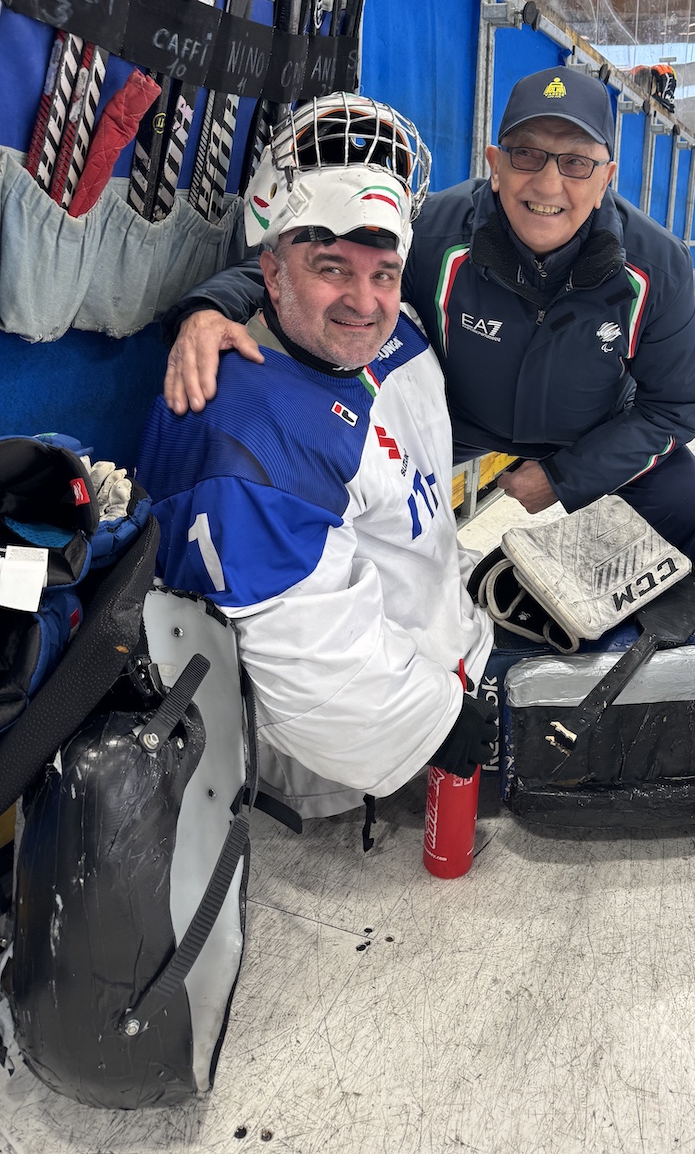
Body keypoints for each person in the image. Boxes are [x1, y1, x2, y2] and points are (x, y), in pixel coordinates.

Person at [162, 66, 695, 566]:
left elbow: (679, 404)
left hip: (589, 430)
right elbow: (312, 265)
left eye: (576, 163)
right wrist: (211, 308)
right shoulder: (438, 230)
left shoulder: (656, 266)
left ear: (605, 179)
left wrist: (565, 475)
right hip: (460, 424)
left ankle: (643, 634)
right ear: (495, 166)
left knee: (687, 501)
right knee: (329, 460)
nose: (548, 184)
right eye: (526, 155)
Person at [139, 96, 496, 820]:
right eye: (332, 267)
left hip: (452, 656)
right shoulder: (247, 433)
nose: (364, 302)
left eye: (384, 273)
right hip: (364, 755)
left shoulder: (395, 333)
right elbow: (316, 667)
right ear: (271, 271)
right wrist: (438, 721)